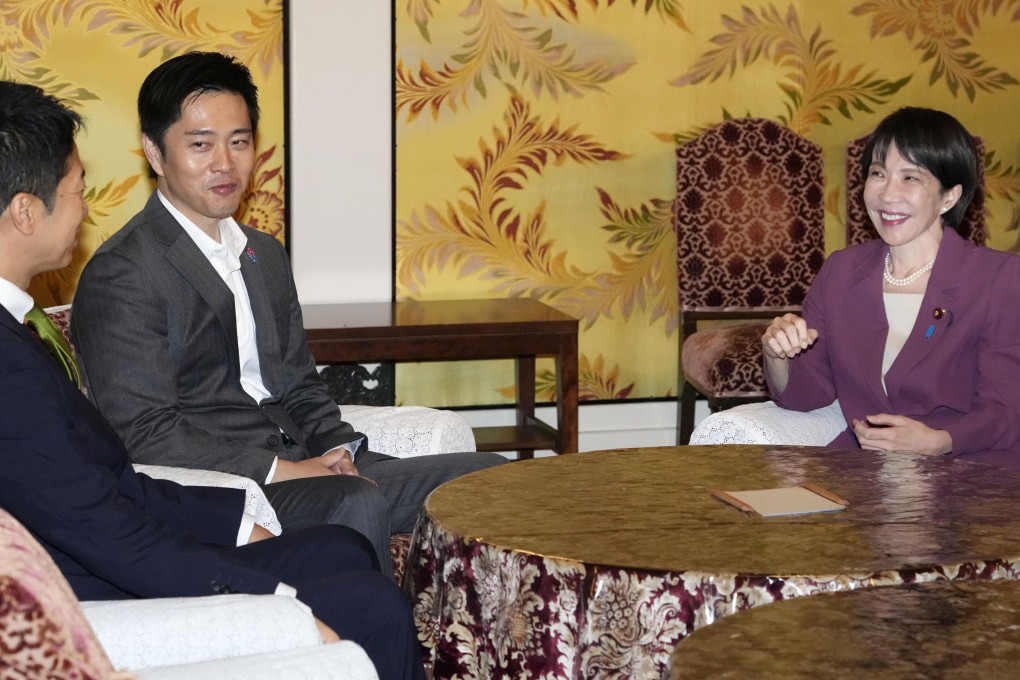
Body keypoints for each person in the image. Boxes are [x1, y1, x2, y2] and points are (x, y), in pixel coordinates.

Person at [0, 80, 423, 680]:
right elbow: (109, 533)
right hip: (92, 597)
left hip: (117, 542)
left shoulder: (17, 328)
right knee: (374, 603)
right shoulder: (10, 365)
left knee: (343, 546)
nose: (86, 208)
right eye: (77, 191)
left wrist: (229, 520)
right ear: (24, 210)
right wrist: (276, 604)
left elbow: (112, 482)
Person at [71, 51, 506, 575]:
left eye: (239, 141)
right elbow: (145, 430)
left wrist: (339, 449)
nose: (225, 164)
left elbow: (299, 385)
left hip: (309, 461)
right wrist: (285, 470)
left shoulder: (264, 254)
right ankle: (373, 651)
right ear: (154, 153)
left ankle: (467, 650)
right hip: (234, 485)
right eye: (200, 144)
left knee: (490, 482)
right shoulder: (124, 270)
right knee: (355, 503)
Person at [762, 107, 1020, 468]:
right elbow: (807, 394)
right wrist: (778, 356)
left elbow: (1006, 408)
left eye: (910, 178)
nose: (887, 194)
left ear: (949, 196)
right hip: (866, 474)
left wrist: (940, 441)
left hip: (970, 472)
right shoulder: (841, 272)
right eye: (878, 174)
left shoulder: (999, 278)